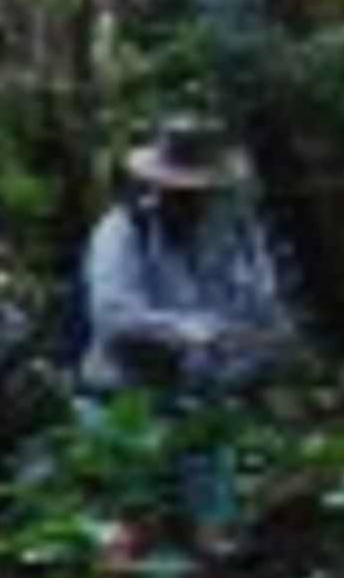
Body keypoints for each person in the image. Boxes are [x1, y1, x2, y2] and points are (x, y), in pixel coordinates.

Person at [80, 115, 297, 400]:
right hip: (130, 397)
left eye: (198, 193)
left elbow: (264, 309)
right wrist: (195, 333)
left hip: (222, 395)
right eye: (176, 192)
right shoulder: (124, 230)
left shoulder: (240, 232)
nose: (187, 201)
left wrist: (273, 343)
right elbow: (114, 319)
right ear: (157, 186)